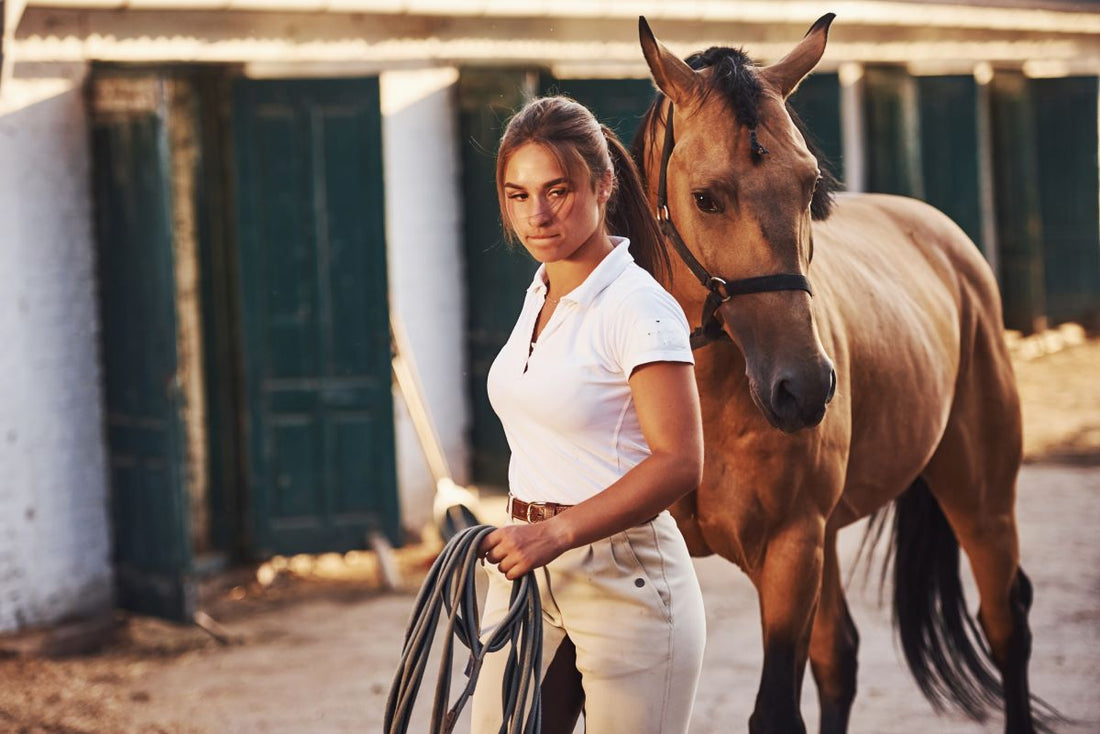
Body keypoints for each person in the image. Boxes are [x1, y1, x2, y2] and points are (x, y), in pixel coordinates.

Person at [471, 95, 707, 734]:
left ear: (603, 185)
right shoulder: (541, 291)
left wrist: (554, 534)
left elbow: (680, 461)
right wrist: (531, 536)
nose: (537, 214)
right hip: (527, 570)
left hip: (623, 576)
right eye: (518, 195)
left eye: (557, 190)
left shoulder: (638, 307)